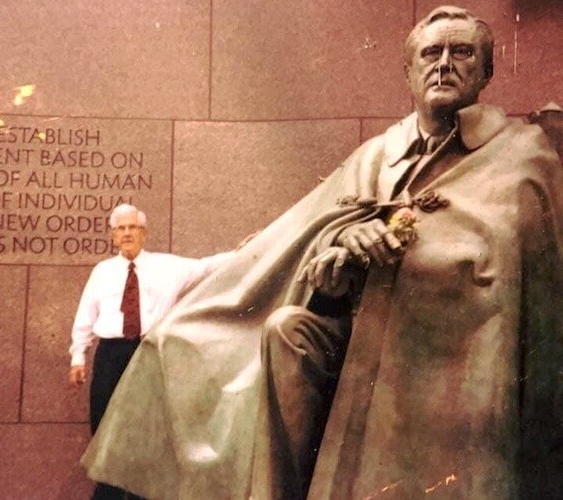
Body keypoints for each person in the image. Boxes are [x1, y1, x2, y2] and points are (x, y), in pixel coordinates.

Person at [82, 6, 563, 499]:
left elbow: (511, 265)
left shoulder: (521, 154)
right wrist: (339, 251)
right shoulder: (378, 153)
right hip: (358, 334)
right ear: (408, 71)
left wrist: (417, 256)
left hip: (456, 352)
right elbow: (314, 237)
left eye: (461, 52)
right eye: (430, 52)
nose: (443, 63)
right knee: (266, 334)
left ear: (486, 71)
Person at [69, 203, 233, 499]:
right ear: (113, 236)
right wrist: (78, 356)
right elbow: (86, 315)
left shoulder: (167, 266)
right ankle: (107, 492)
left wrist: (249, 248)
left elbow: (208, 266)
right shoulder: (102, 271)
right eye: (120, 228)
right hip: (110, 355)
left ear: (144, 233)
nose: (127, 233)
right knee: (104, 422)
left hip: (149, 353)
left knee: (150, 426)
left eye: (132, 227)